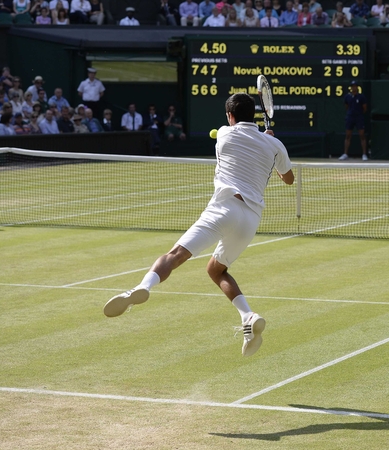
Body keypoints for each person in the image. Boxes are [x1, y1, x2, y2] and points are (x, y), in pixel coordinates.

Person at [104, 93, 293, 358]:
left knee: (175, 255)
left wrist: (267, 141)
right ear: (254, 116)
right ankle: (248, 317)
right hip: (250, 219)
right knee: (217, 270)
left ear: (229, 116)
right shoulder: (274, 145)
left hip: (223, 208)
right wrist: (271, 142)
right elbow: (288, 179)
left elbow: (246, 142)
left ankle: (142, 287)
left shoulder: (225, 135)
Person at [340, 81, 368, 160]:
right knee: (348, 136)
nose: (353, 88)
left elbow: (365, 108)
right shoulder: (347, 97)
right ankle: (345, 154)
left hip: (359, 118)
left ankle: (364, 154)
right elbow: (346, 106)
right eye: (352, 86)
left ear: (357, 87)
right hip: (350, 118)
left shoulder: (361, 97)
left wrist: (358, 114)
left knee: (362, 136)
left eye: (355, 86)